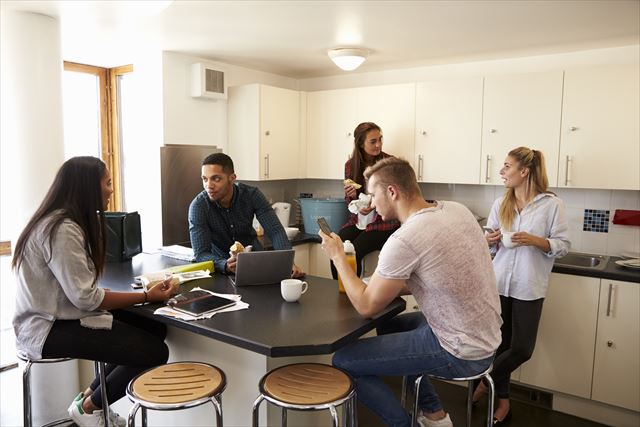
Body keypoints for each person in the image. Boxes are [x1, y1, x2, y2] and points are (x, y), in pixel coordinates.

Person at [319, 157, 502, 427]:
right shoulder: (455, 210)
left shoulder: (406, 238)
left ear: (392, 192)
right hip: (486, 336)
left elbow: (367, 306)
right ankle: (434, 415)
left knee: (344, 360)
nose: (370, 203)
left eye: (372, 195)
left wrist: (337, 256)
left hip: (459, 350)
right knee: (390, 325)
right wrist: (382, 285)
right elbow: (435, 275)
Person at [12, 156, 179, 427]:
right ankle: (91, 408)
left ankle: (87, 401)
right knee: (156, 351)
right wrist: (148, 296)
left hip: (61, 317)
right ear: (88, 187)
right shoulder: (62, 229)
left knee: (155, 329)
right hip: (46, 329)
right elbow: (86, 297)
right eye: (108, 183)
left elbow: (78, 290)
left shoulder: (59, 221)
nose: (112, 190)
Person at [472, 147, 570, 424]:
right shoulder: (500, 203)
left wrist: (535, 240)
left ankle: (483, 380)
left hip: (530, 286)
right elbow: (488, 244)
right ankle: (502, 404)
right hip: (499, 282)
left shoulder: (552, 205)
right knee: (500, 348)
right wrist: (488, 241)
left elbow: (563, 245)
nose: (501, 172)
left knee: (522, 349)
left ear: (524, 171)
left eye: (506, 167)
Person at [189, 152, 304, 277]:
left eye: (216, 179)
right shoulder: (198, 206)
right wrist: (225, 265)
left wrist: (287, 262)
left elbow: (275, 231)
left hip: (255, 262)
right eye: (205, 179)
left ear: (232, 178)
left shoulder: (251, 195)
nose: (209, 185)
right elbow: (201, 253)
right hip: (220, 268)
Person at [330, 122, 399, 279]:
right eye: (373, 141)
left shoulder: (390, 163)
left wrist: (375, 204)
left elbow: (396, 198)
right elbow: (350, 201)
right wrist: (353, 199)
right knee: (337, 245)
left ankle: (356, 294)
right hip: (359, 220)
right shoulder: (350, 165)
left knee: (355, 249)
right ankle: (340, 290)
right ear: (361, 143)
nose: (379, 145)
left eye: (380, 139)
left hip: (384, 223)